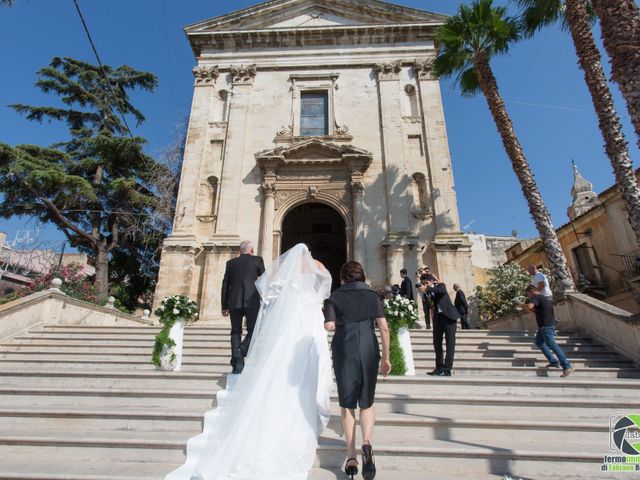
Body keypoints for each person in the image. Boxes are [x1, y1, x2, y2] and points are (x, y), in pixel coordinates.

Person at [166, 244, 333, 480]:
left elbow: (266, 286)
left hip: (290, 322)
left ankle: (243, 361)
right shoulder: (316, 266)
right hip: (310, 319)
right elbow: (326, 282)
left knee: (277, 361)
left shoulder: (285, 268)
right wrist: (317, 293)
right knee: (306, 363)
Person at [324, 261, 391, 480]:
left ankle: (351, 456)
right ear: (362, 276)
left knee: (347, 404)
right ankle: (367, 443)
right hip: (369, 348)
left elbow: (329, 326)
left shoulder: (335, 297)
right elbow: (383, 327)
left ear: (343, 278)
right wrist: (387, 357)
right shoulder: (372, 296)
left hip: (344, 347)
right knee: (367, 401)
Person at [221, 240, 265, 374]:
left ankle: (237, 365)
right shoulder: (257, 260)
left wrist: (224, 305)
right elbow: (264, 279)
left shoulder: (231, 263)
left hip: (234, 302)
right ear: (251, 250)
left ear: (240, 251)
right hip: (252, 301)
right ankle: (242, 350)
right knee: (253, 330)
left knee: (235, 332)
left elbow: (225, 285)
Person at [523, 285, 575, 378]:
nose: (529, 296)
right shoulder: (543, 298)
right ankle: (554, 361)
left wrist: (525, 304)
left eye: (528, 294)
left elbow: (531, 306)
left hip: (546, 326)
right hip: (545, 325)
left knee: (552, 345)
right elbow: (534, 311)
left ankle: (567, 366)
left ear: (531, 291)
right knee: (539, 342)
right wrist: (523, 306)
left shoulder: (537, 297)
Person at [420, 279, 460, 376]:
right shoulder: (427, 293)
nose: (425, 285)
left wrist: (428, 288)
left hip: (449, 317)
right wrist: (423, 294)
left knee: (450, 342)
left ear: (431, 282)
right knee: (436, 342)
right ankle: (439, 367)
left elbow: (441, 292)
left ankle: (447, 369)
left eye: (426, 283)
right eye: (423, 284)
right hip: (438, 318)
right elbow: (430, 306)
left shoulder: (440, 286)